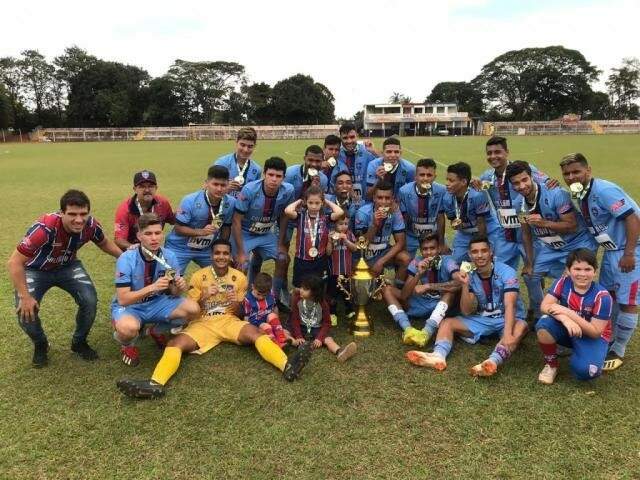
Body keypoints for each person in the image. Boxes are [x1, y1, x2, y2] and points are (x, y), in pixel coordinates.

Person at [116, 239, 312, 399]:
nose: (221, 257)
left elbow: (241, 312)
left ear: (230, 256)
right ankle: (155, 384)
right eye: (217, 253)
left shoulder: (240, 278)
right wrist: (203, 296)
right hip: (202, 323)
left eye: (225, 253)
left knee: (255, 333)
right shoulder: (198, 277)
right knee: (176, 343)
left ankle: (287, 366)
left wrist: (238, 303)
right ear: (211, 256)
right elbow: (190, 311)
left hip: (228, 320)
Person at [7, 189, 122, 367]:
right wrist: (25, 296)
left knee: (89, 301)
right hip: (35, 270)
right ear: (62, 213)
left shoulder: (91, 225)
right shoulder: (44, 229)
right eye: (72, 214)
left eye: (83, 214)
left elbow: (104, 242)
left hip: (68, 266)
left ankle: (79, 342)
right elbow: (14, 262)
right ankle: (40, 344)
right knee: (26, 312)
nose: (79, 219)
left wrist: (123, 258)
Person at [560, 153, 640, 370]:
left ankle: (619, 348)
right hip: (611, 251)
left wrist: (630, 253)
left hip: (629, 251)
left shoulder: (604, 190)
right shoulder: (581, 193)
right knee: (609, 296)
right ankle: (609, 337)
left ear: (588, 170)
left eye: (576, 171)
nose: (571, 177)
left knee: (628, 301)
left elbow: (633, 218)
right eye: (566, 174)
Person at [406, 236, 528, 377]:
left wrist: (507, 334)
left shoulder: (507, 272)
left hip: (508, 318)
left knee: (521, 326)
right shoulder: (470, 273)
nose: (480, 255)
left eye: (484, 251)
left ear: (491, 252)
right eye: (475, 252)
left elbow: (510, 304)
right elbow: (466, 310)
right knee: (447, 323)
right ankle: (438, 356)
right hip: (483, 319)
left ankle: (493, 361)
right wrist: (464, 285)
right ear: (470, 255)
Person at [506, 160, 596, 320]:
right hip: (553, 247)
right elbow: (526, 234)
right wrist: (529, 263)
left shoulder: (556, 193)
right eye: (516, 183)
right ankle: (542, 313)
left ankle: (581, 315)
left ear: (532, 177)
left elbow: (572, 225)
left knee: (574, 279)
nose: (521, 186)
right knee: (529, 275)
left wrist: (544, 223)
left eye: (524, 180)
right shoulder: (518, 204)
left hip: (578, 243)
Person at [112, 214, 200, 367]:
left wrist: (178, 287)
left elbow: (174, 293)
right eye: (148, 233)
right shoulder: (126, 259)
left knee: (193, 309)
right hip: (130, 306)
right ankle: (127, 345)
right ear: (139, 236)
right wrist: (153, 287)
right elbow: (123, 299)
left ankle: (156, 330)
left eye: (157, 233)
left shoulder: (169, 256)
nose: (154, 238)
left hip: (157, 302)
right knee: (128, 329)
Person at [475, 136, 557, 270]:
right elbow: (476, 190)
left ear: (507, 152)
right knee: (498, 271)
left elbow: (548, 183)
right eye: (489, 153)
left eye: (497, 152)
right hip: (505, 235)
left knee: (533, 274)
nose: (493, 156)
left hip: (529, 234)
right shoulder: (486, 177)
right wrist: (474, 182)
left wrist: (552, 183)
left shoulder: (524, 169)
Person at [535, 249, 613, 384]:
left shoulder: (603, 297)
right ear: (568, 270)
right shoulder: (563, 282)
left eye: (588, 269)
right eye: (577, 269)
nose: (582, 274)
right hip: (568, 327)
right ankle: (551, 365)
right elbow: (545, 306)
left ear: (595, 271)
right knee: (543, 325)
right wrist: (565, 318)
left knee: (587, 372)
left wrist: (568, 312)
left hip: (592, 336)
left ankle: (587, 354)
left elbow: (595, 332)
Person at [382, 234, 462, 347]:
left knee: (449, 293)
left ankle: (426, 332)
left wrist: (429, 286)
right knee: (387, 290)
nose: (428, 253)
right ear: (420, 250)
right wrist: (418, 274)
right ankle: (408, 330)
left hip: (443, 304)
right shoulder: (416, 262)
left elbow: (459, 283)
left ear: (439, 249)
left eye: (432, 248)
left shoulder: (448, 261)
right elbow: (404, 295)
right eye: (425, 249)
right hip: (423, 303)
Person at [233, 156, 293, 302]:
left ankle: (274, 299)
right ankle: (243, 301)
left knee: (283, 258)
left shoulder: (288, 190)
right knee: (243, 264)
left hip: (266, 233)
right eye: (270, 175)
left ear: (283, 178)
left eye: (278, 176)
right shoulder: (249, 190)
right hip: (245, 233)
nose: (274, 179)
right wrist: (241, 252)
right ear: (264, 174)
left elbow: (284, 217)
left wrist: (280, 244)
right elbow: (236, 220)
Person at [164, 165, 235, 273]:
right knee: (171, 281)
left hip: (206, 249)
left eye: (223, 185)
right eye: (215, 184)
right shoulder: (190, 200)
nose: (219, 189)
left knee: (223, 274)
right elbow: (178, 228)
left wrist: (222, 249)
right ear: (206, 183)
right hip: (179, 247)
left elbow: (226, 227)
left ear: (228, 185)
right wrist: (201, 232)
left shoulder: (230, 203)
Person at [283, 186, 343, 288]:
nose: (314, 206)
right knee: (299, 288)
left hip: (319, 260)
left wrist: (326, 202)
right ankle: (296, 304)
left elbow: (340, 212)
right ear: (306, 202)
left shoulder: (326, 218)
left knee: (318, 287)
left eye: (317, 203)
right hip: (302, 259)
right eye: (310, 203)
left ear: (322, 203)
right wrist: (299, 201)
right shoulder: (300, 217)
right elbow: (288, 211)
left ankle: (317, 303)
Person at [289, 275, 357, 363]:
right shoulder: (297, 300)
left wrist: (319, 338)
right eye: (301, 287)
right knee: (285, 332)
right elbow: (294, 319)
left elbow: (327, 323)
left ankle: (340, 352)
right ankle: (297, 344)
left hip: (315, 328)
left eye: (305, 289)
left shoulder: (322, 304)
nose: (301, 290)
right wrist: (298, 336)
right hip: (299, 326)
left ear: (314, 292)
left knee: (329, 340)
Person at [355, 180, 411, 283]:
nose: (384, 202)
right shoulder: (363, 213)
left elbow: (400, 242)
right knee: (368, 287)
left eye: (387, 198)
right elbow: (361, 244)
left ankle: (395, 289)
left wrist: (381, 261)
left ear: (392, 199)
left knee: (405, 258)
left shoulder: (395, 211)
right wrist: (374, 225)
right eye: (380, 198)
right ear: (374, 198)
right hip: (364, 254)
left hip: (383, 252)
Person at [441, 162, 494, 263]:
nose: (447, 183)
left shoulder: (477, 196)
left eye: (451, 180)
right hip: (464, 233)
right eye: (447, 179)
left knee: (486, 259)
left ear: (464, 182)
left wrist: (481, 246)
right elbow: (452, 220)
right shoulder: (447, 198)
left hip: (487, 230)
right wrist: (455, 224)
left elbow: (482, 224)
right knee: (456, 260)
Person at [113, 170, 175, 251]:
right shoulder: (124, 209)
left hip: (154, 248)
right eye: (142, 186)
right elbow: (119, 240)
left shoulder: (163, 203)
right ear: (135, 189)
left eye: (151, 186)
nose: (147, 190)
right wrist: (134, 247)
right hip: (132, 250)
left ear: (156, 188)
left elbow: (173, 220)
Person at [399, 158, 447, 257]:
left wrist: (441, 243)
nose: (425, 178)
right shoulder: (404, 191)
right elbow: (403, 219)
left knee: (444, 259)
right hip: (411, 236)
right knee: (403, 260)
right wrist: (402, 245)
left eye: (429, 175)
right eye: (422, 175)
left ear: (435, 177)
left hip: (433, 236)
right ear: (415, 177)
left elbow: (440, 217)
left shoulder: (441, 191)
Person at [329, 123, 378, 206]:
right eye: (345, 138)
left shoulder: (367, 152)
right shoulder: (336, 154)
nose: (349, 141)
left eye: (352, 137)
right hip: (342, 202)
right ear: (340, 138)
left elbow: (385, 162)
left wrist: (374, 151)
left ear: (357, 136)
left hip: (365, 202)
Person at [325, 216, 358, 326]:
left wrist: (346, 240)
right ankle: (332, 313)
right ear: (334, 224)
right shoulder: (330, 234)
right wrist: (330, 241)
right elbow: (328, 253)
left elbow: (354, 248)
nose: (344, 226)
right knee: (332, 293)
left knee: (346, 291)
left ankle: (349, 310)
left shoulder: (349, 234)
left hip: (346, 270)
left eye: (346, 223)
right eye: (340, 224)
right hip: (334, 271)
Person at [213, 127, 262, 198]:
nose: (246, 150)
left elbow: (255, 195)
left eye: (250, 146)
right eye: (242, 145)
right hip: (224, 207)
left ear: (255, 146)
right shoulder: (221, 163)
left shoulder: (257, 170)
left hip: (244, 208)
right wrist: (225, 188)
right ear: (236, 142)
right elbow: (207, 189)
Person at [242, 272, 287, 348]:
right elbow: (246, 317)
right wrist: (249, 330)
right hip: (256, 324)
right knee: (266, 326)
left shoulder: (271, 294)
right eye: (258, 294)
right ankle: (274, 342)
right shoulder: (248, 299)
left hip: (266, 318)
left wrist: (277, 322)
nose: (261, 297)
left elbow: (275, 307)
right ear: (253, 287)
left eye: (264, 295)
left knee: (272, 315)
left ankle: (281, 339)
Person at [365, 136, 416, 200]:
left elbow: (412, 196)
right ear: (382, 153)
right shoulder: (373, 166)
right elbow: (368, 196)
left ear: (400, 153)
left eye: (396, 152)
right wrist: (378, 180)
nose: (393, 155)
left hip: (399, 204)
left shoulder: (410, 169)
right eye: (389, 152)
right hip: (378, 203)